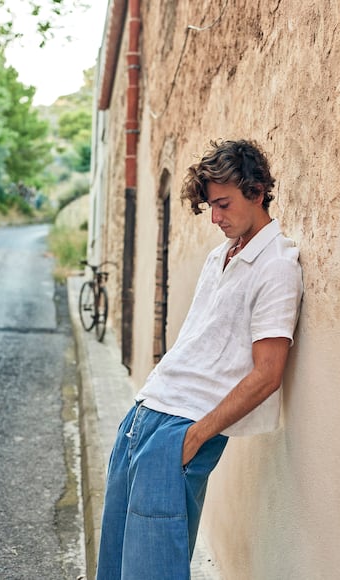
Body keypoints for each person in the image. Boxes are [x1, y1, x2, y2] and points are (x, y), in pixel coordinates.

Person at [96, 139, 303, 580]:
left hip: (179, 432)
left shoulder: (277, 265)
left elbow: (267, 374)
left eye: (224, 204)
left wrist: (194, 438)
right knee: (115, 565)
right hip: (142, 417)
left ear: (258, 188)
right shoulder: (218, 257)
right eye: (211, 206)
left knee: (152, 571)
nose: (216, 217)